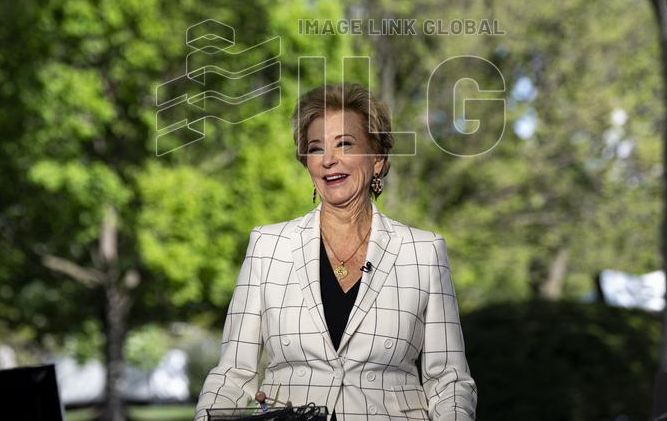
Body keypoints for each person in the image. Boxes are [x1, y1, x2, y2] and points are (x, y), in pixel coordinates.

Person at [194, 82, 477, 420]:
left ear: (377, 159)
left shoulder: (424, 252)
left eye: (344, 144)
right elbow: (233, 374)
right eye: (316, 148)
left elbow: (449, 381)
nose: (328, 160)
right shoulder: (267, 247)